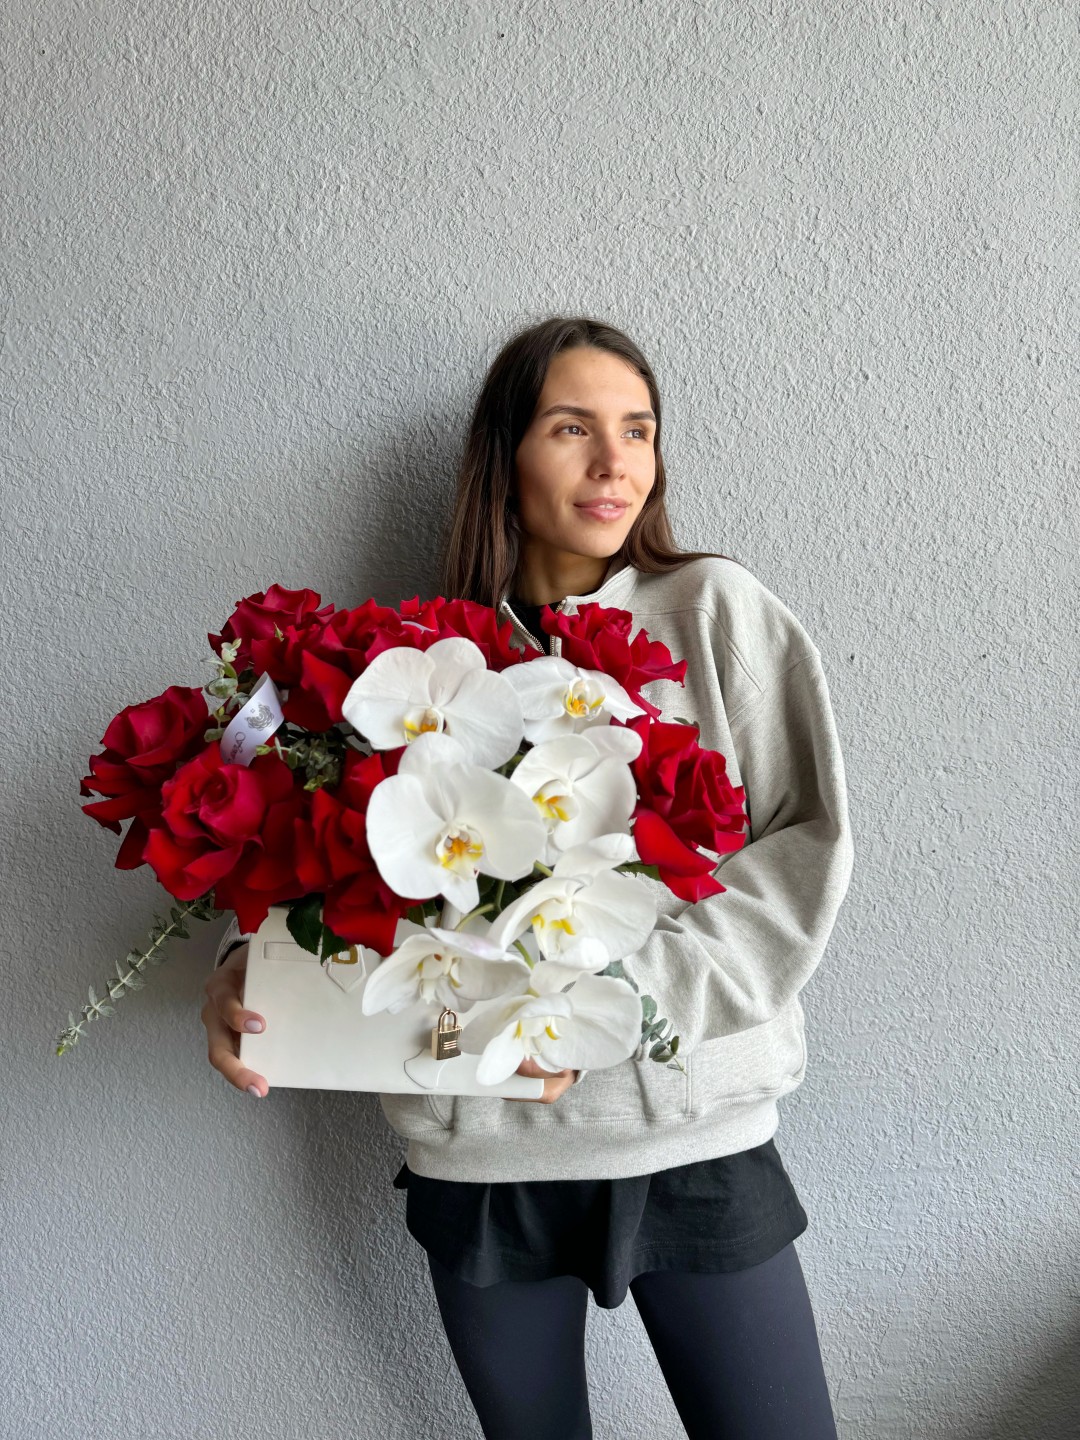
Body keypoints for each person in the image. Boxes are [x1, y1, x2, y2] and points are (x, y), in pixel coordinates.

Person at [202, 316, 854, 1439]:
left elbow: (805, 845)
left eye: (638, 430)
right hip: (485, 1160)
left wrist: (629, 1011)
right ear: (506, 456)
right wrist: (245, 973)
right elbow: (341, 865)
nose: (616, 462)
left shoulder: (716, 612)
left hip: (694, 1136)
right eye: (573, 428)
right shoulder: (408, 664)